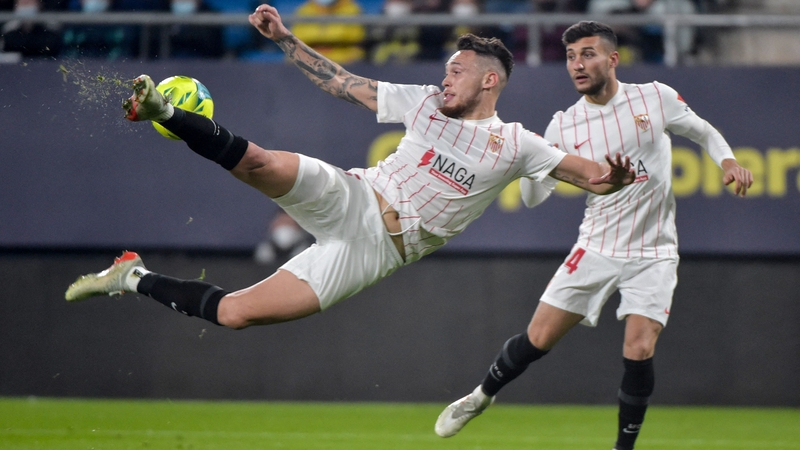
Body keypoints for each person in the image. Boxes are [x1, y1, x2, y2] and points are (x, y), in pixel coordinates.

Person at [65, 8, 636, 350]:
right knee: (261, 163)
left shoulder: (516, 144)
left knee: (236, 314)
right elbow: (340, 82)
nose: (445, 79)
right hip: (356, 195)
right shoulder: (423, 102)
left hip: (374, 254)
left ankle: (130, 277)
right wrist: (283, 37)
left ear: (490, 81)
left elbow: (592, 178)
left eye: (457, 72)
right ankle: (164, 110)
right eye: (445, 69)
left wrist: (615, 176)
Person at [433, 21, 753, 450]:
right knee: (538, 339)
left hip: (655, 251)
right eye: (570, 57)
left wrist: (728, 161)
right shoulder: (564, 126)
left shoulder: (654, 97)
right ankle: (480, 396)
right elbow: (534, 198)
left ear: (612, 58)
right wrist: (526, 165)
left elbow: (703, 131)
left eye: (587, 54)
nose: (577, 65)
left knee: (639, 347)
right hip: (596, 246)